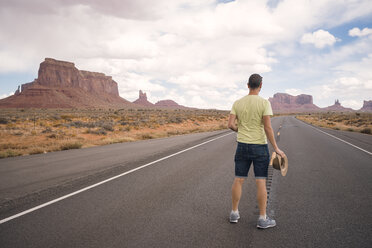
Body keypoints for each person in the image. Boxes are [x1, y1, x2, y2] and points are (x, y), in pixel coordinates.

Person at [228, 73, 285, 229]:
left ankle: (234, 213)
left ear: (248, 85)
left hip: (242, 145)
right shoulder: (264, 103)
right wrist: (276, 148)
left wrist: (239, 130)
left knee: (239, 179)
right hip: (259, 146)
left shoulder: (237, 103)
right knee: (260, 181)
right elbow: (267, 127)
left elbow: (230, 124)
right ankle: (262, 218)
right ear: (260, 86)